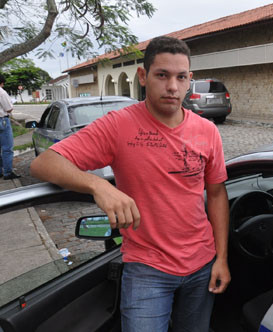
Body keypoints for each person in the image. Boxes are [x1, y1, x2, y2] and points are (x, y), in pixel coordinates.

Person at [30, 36, 231, 331]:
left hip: (202, 265)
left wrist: (221, 258)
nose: (172, 87)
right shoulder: (118, 125)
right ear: (143, 76)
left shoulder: (207, 131)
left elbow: (216, 195)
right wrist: (99, 186)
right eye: (162, 75)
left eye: (181, 77)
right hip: (146, 270)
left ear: (190, 80)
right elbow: (43, 163)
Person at [0, 73, 21, 180]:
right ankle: (8, 173)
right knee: (7, 148)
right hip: (2, 120)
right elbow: (8, 109)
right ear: (2, 82)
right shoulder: (2, 92)